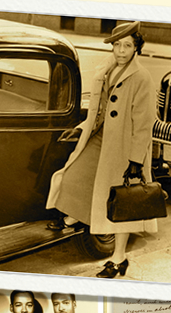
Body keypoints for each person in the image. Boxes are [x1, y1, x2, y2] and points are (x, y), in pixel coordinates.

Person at [46, 21, 157, 278]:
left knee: (122, 203)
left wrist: (136, 161)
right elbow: (100, 110)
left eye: (127, 45)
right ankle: (76, 215)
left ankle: (119, 259)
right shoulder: (107, 70)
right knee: (74, 175)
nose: (120, 51)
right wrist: (82, 127)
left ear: (137, 48)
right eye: (117, 45)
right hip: (100, 138)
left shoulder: (141, 77)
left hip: (125, 146)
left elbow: (143, 124)